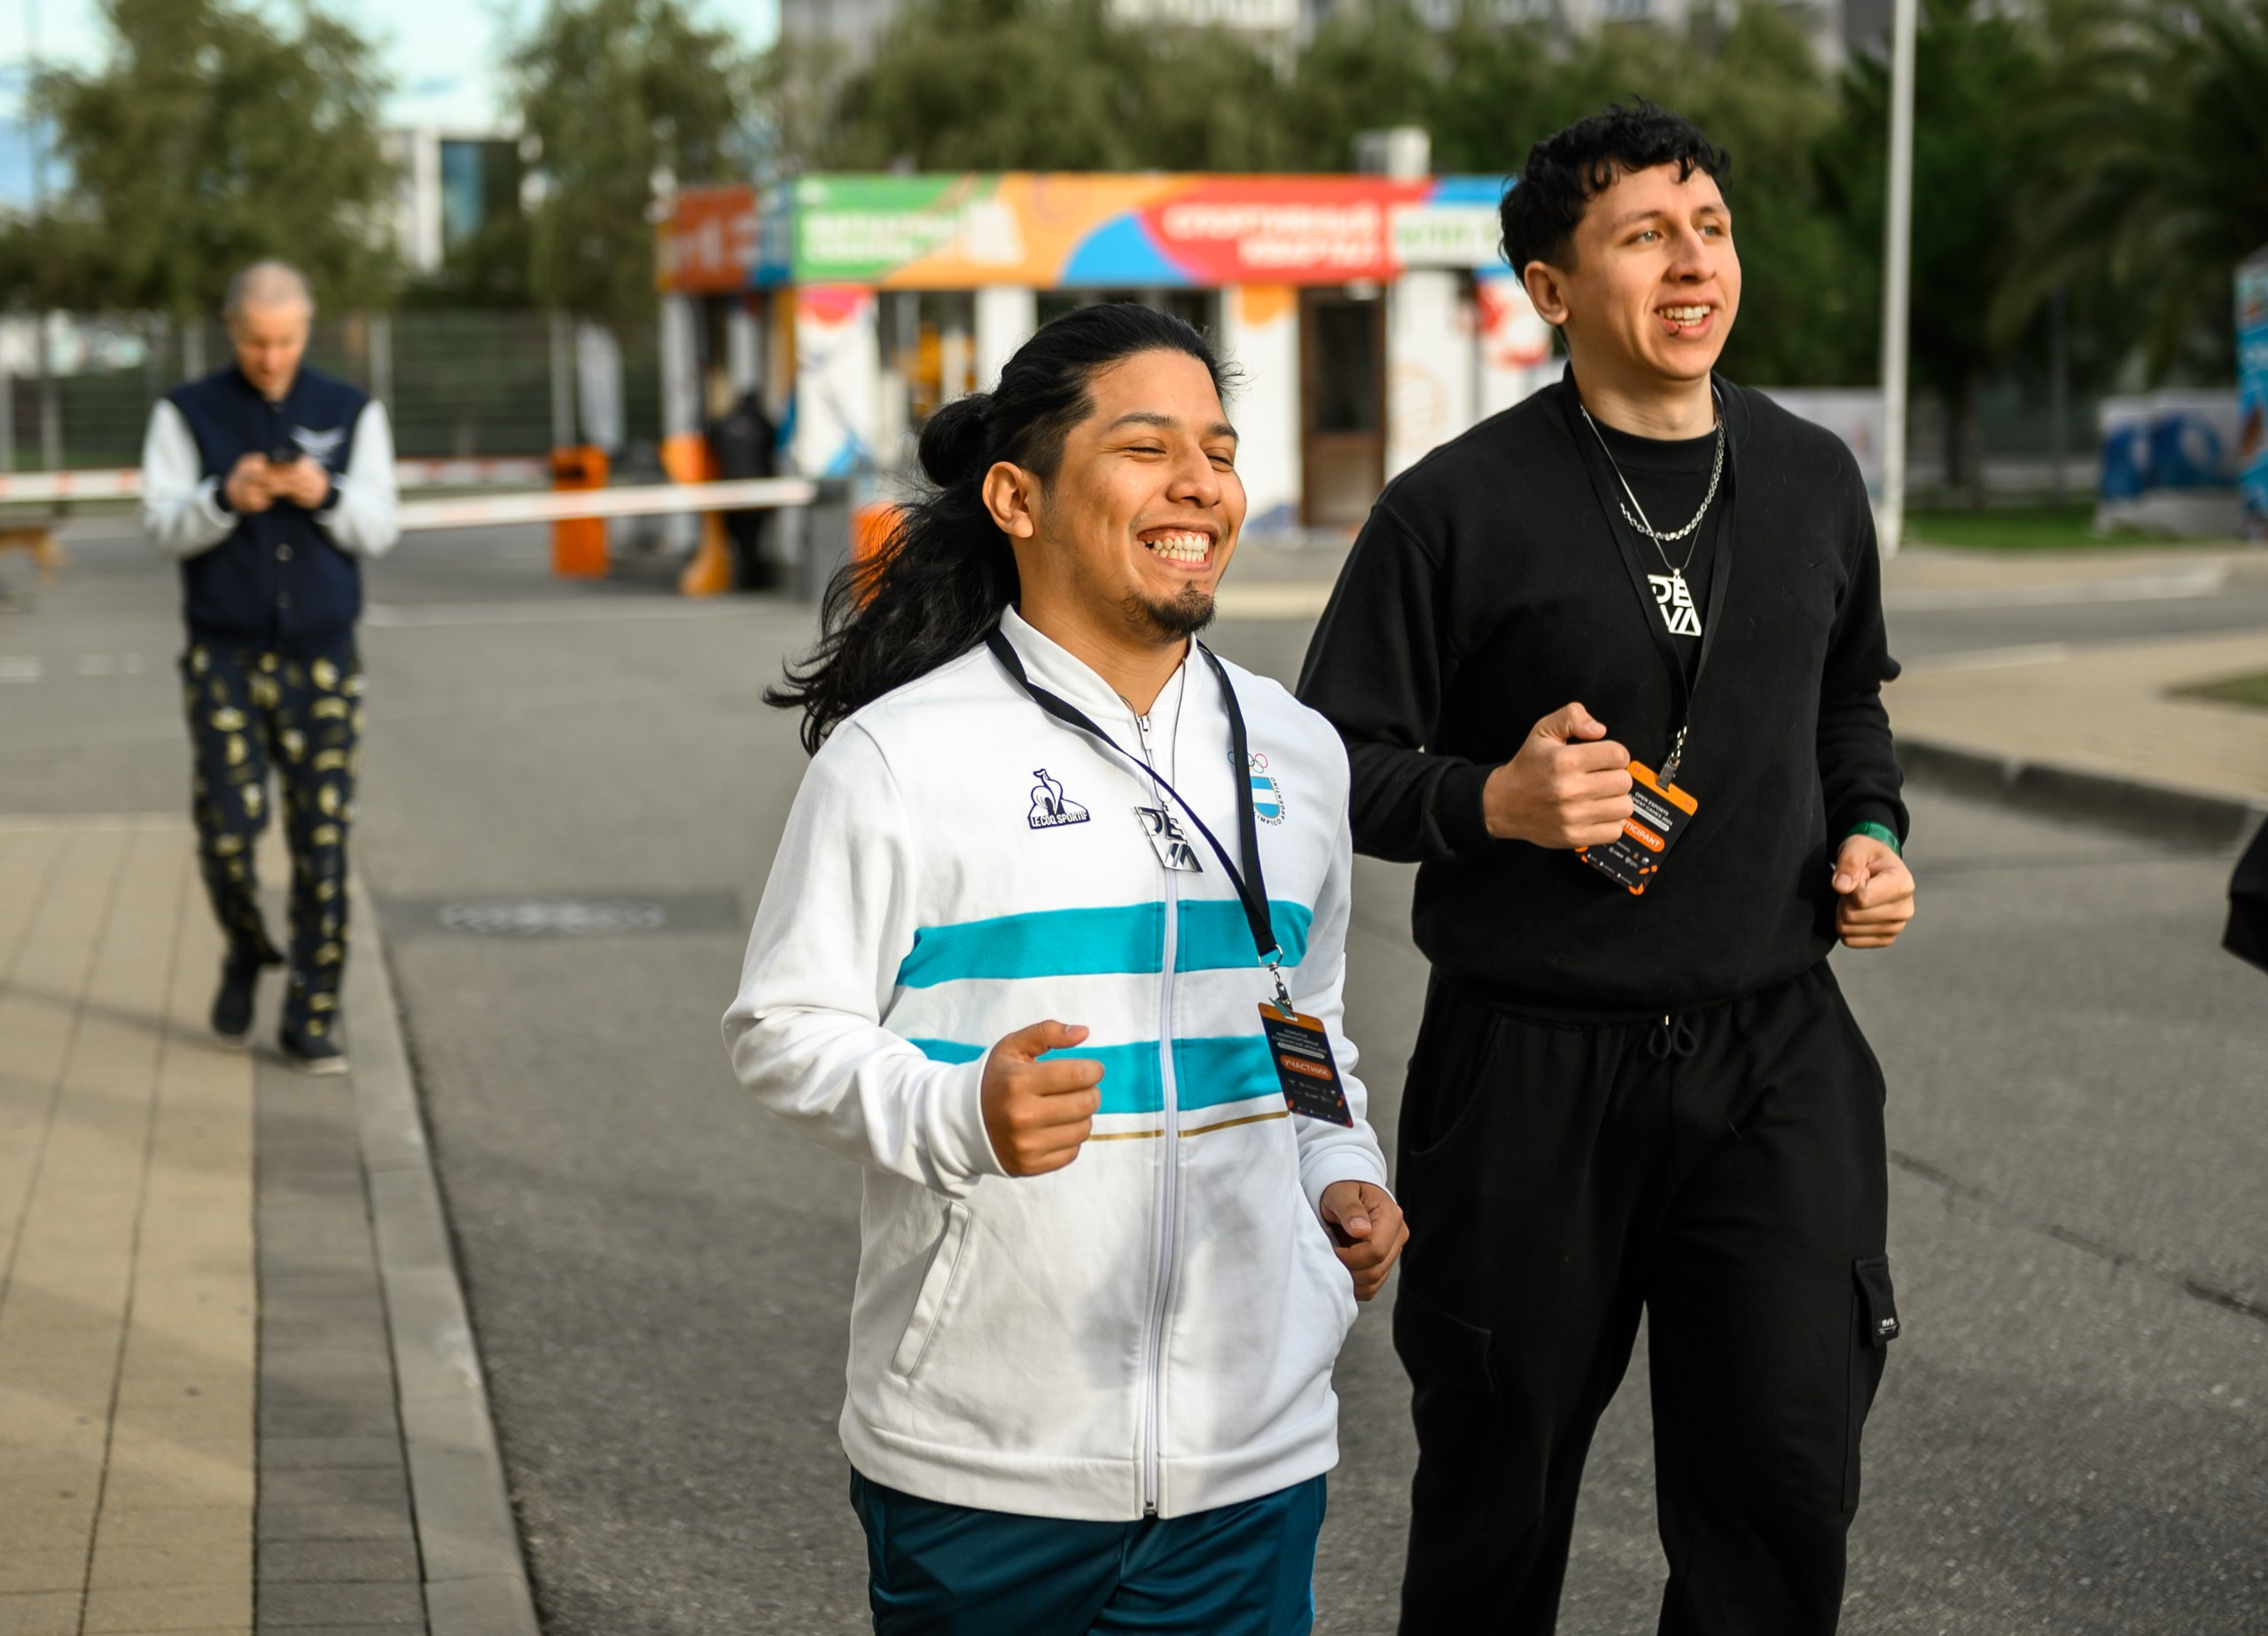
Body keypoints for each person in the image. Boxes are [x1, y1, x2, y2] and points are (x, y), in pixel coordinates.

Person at [1295, 103, 1917, 1634]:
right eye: (1642, 233)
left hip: (1769, 1051)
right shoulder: (1451, 507)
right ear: (1550, 286)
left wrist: (1871, 831)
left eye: (1705, 226)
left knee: (1776, 1484)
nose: (1690, 260)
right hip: (1527, 1073)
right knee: (1495, 1503)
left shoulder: (1807, 477)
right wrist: (1486, 803)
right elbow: (1321, 768)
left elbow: (1845, 699)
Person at [724, 302, 1407, 1634]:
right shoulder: (899, 758)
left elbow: (1300, 1006)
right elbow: (781, 1028)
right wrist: (956, 1106)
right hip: (983, 1470)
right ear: (1015, 497)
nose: (1198, 482)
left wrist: (1339, 1169)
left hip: (1247, 1463)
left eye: (1215, 446)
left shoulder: (1294, 750)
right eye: (1146, 446)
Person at [141, 260, 400, 1072]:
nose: (271, 358)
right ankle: (247, 948)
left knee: (322, 840)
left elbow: (379, 528)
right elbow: (159, 527)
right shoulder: (185, 412)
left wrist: (323, 494)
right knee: (227, 831)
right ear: (231, 329)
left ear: (306, 329)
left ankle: (311, 1014)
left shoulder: (350, 410)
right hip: (222, 653)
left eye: (286, 341)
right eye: (256, 341)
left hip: (322, 658)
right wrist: (224, 498)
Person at [704, 378, 780, 590]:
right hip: (759, 489)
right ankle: (754, 578)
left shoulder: (723, 424)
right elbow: (772, 450)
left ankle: (742, 576)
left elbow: (711, 447)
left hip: (728, 487)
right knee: (753, 538)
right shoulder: (763, 424)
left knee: (736, 538)